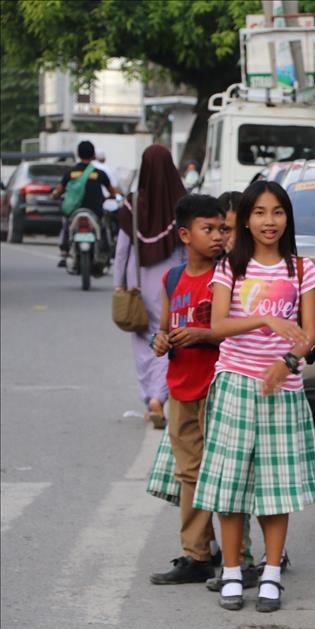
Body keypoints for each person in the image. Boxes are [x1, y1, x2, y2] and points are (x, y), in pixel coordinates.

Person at [194, 180, 315, 613]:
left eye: (278, 212)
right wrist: (264, 318)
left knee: (274, 491)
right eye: (261, 213)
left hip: (282, 390)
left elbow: (309, 336)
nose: (270, 221)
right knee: (230, 488)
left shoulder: (302, 269)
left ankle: (270, 574)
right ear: (246, 219)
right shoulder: (231, 267)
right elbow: (215, 326)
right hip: (234, 383)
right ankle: (232, 572)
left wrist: (286, 363)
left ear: (287, 218)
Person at [148, 194, 225, 584]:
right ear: (184, 234)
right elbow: (163, 329)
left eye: (221, 229)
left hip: (219, 387)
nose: (217, 237)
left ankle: (235, 554)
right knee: (189, 474)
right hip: (181, 388)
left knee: (226, 472)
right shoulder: (173, 278)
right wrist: (160, 342)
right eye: (207, 229)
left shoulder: (226, 277)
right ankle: (197, 554)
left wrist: (205, 335)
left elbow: (236, 333)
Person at [114, 144, 187, 428]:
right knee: (167, 338)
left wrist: (118, 284)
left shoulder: (132, 204)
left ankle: (150, 398)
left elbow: (122, 251)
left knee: (143, 342)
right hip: (174, 283)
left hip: (139, 284)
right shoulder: (181, 203)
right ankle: (161, 394)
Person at [53, 140, 120, 267]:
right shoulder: (99, 173)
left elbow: (59, 191)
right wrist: (111, 197)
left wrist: (55, 195)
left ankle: (64, 251)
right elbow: (113, 192)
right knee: (103, 226)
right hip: (95, 211)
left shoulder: (70, 173)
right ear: (93, 155)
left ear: (78, 154)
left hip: (74, 211)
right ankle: (105, 252)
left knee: (66, 224)